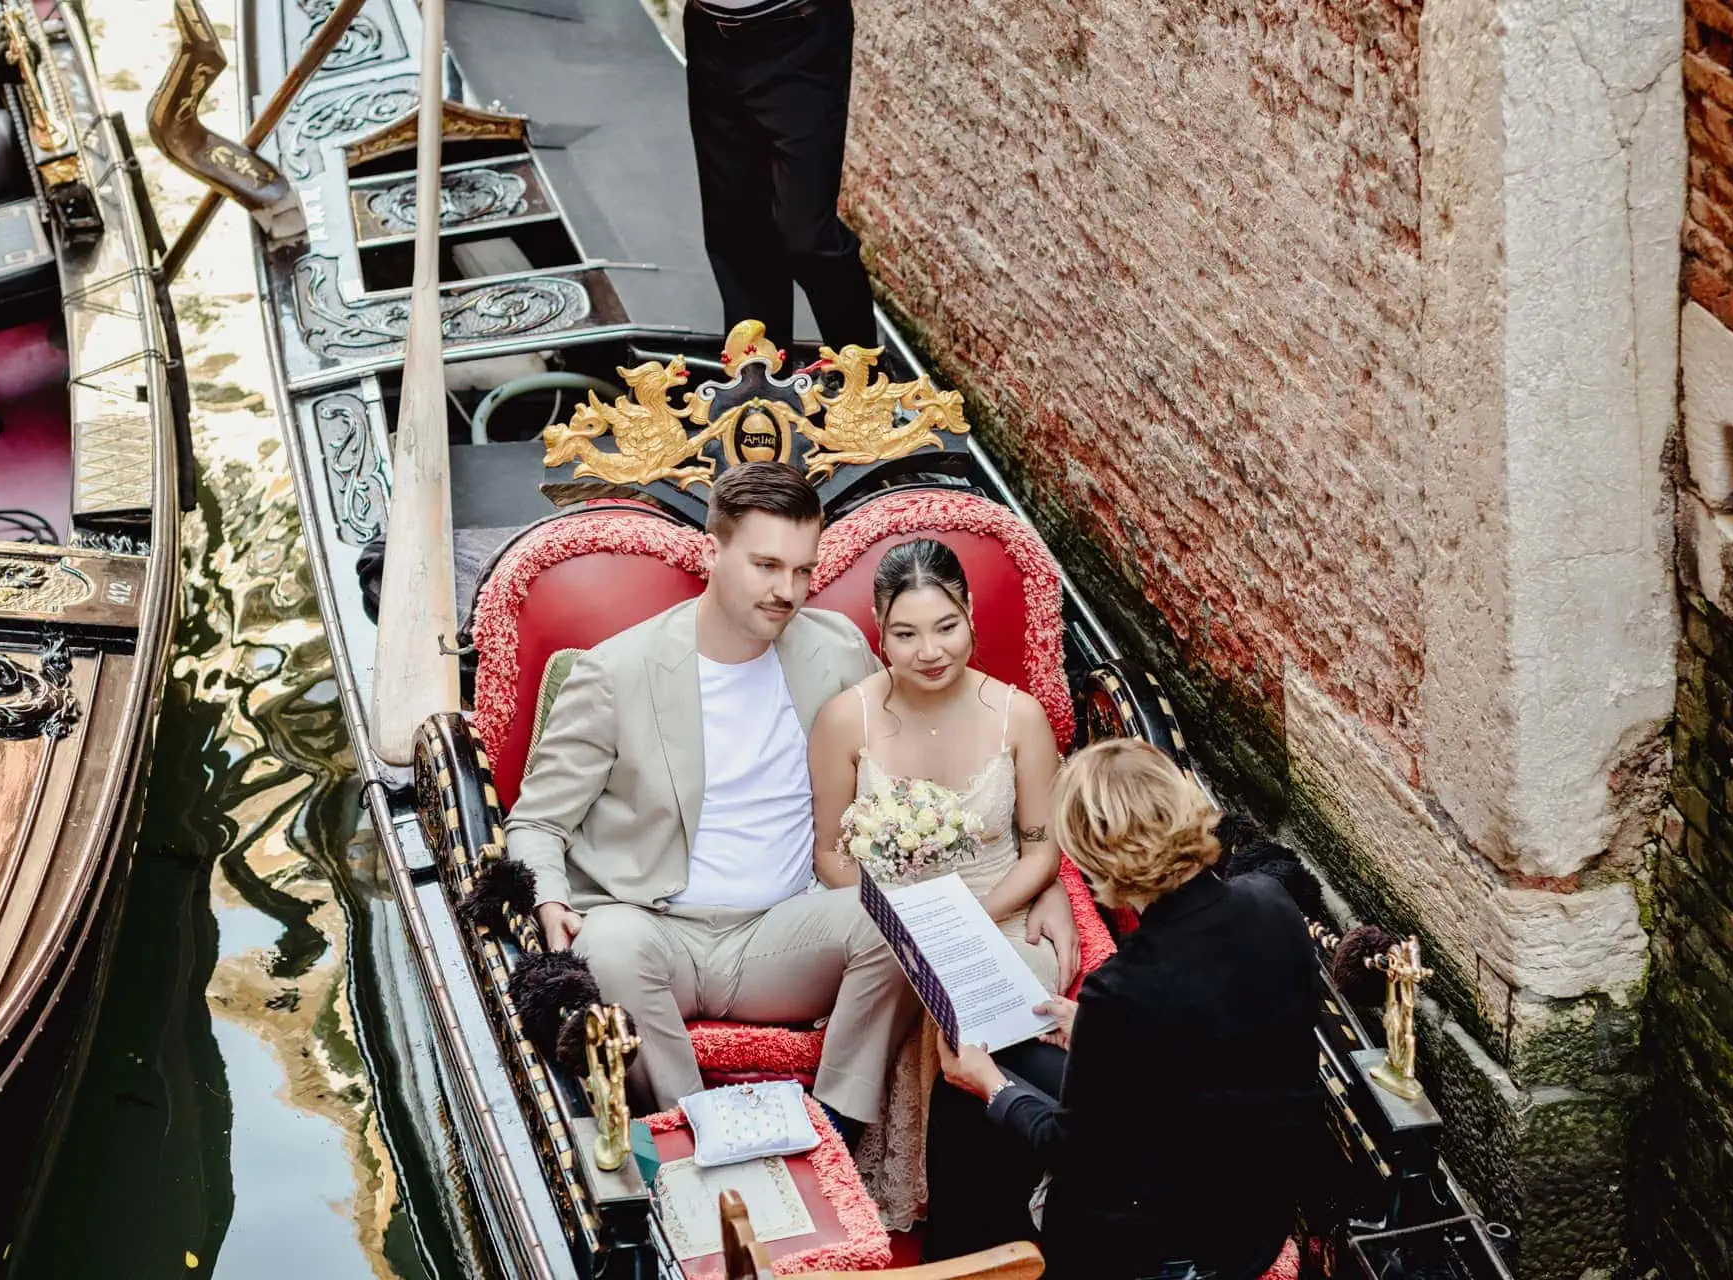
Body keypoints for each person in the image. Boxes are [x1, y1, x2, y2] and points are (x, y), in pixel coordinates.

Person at [502, 462, 905, 1135]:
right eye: (767, 565)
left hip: (780, 931)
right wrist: (547, 896)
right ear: (712, 551)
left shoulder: (834, 650)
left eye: (804, 571)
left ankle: (837, 1130)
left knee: (893, 926)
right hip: (654, 926)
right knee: (609, 947)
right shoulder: (617, 672)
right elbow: (538, 820)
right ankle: (690, 1139)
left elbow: (900, 760)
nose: (787, 591)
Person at [934, 739, 1323, 1280]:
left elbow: (1077, 1155)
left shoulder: (1122, 989)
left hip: (1166, 1242)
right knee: (1014, 1051)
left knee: (974, 1092)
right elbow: (1216, 1034)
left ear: (1096, 861)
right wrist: (1091, 1031)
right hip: (1257, 1203)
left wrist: (990, 1087)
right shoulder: (1270, 901)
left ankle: (978, 1255)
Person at [806, 537, 1079, 1226]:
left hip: (1001, 913)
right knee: (905, 972)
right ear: (879, 629)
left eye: (946, 627)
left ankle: (1015, 1198)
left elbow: (1041, 849)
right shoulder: (847, 718)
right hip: (880, 919)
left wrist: (975, 916)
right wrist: (901, 926)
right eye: (906, 634)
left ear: (971, 618)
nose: (930, 651)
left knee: (980, 996)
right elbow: (832, 855)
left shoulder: (1018, 717)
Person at [684, 0, 876, 349]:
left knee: (806, 236)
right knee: (735, 229)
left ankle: (865, 380)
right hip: (708, 33)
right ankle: (759, 383)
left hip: (797, 35)